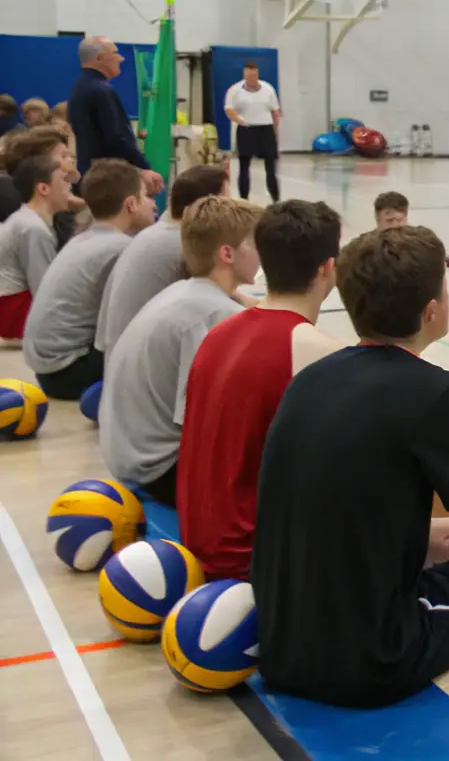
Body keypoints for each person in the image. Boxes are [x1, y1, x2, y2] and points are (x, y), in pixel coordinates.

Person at [252, 226, 449, 707]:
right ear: (432, 310)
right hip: (374, 659)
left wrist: (432, 535)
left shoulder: (311, 379)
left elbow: (340, 503)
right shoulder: (438, 393)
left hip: (280, 647)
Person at [178, 200, 343, 579]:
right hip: (251, 558)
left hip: (200, 539)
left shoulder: (220, 332)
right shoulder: (317, 351)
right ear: (328, 268)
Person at [99, 197, 263, 505]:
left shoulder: (186, 293)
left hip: (128, 453)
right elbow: (202, 420)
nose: (261, 253)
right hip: (158, 469)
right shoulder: (214, 315)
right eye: (254, 243)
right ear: (227, 253)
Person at [22, 159, 156, 399]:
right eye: (146, 196)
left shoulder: (84, 239)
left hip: (47, 370)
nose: (153, 204)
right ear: (131, 204)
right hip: (71, 370)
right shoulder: (121, 248)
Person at [95, 165, 230, 357]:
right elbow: (220, 308)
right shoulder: (184, 246)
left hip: (117, 355)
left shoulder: (159, 233)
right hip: (139, 363)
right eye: (227, 203)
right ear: (207, 207)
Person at [67, 36, 164, 195]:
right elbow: (117, 137)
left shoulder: (80, 87)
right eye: (115, 53)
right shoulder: (101, 91)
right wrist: (144, 168)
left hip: (90, 174)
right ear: (100, 58)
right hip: (106, 180)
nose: (121, 58)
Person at [0, 157, 72, 338]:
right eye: (63, 180)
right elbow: (44, 290)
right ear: (43, 189)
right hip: (12, 313)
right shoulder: (33, 229)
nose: (69, 187)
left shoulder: (27, 220)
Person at [0, 126, 82, 249]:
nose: (71, 162)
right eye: (64, 156)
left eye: (71, 156)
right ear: (40, 162)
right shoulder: (23, 208)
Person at [224, 61, 282, 203]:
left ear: (257, 74)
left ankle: (276, 200)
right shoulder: (235, 90)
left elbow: (275, 111)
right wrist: (240, 121)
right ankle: (244, 200)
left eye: (254, 75)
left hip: (265, 129)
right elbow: (229, 109)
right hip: (247, 130)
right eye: (248, 75)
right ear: (244, 75)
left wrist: (274, 131)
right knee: (244, 167)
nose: (251, 78)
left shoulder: (268, 89)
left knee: (271, 169)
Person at [374, 191, 449, 267]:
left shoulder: (414, 238)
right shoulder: (370, 244)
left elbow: (430, 249)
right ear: (378, 219)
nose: (395, 225)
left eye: (399, 220)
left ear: (406, 215)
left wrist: (446, 257)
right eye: (389, 220)